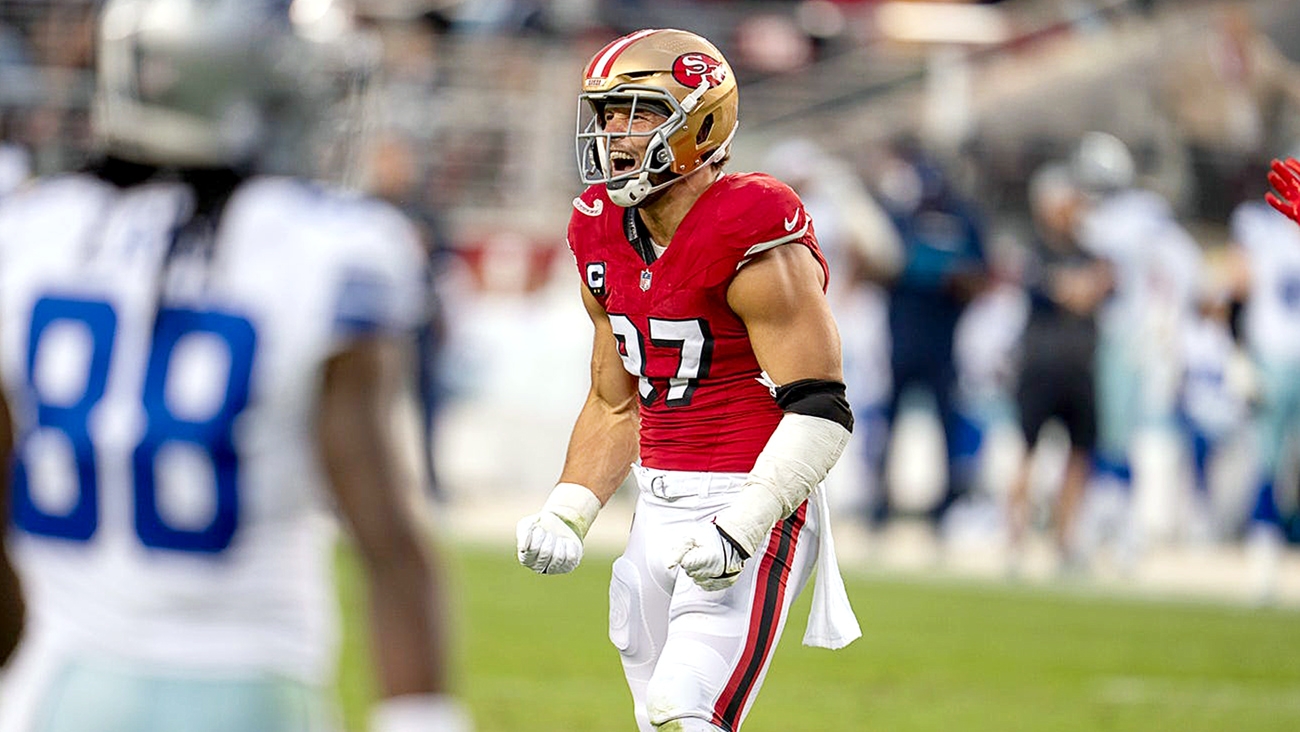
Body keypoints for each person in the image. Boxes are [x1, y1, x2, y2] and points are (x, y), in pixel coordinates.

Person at [0, 2, 470, 731]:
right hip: (250, 679)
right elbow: (390, 543)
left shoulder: (30, 234)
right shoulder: (332, 249)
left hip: (60, 686)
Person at [514, 28, 860, 732]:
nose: (616, 133)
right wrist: (569, 510)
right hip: (658, 499)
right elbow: (615, 403)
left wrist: (743, 525)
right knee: (657, 718)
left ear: (701, 123)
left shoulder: (752, 223)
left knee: (683, 709)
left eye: (640, 113)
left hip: (753, 497)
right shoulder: (598, 229)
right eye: (608, 114)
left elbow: (823, 408)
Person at [869, 141, 990, 529]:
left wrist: (949, 278)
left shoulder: (962, 218)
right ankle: (880, 501)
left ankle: (945, 505)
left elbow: (982, 275)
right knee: (890, 422)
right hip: (903, 336)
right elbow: (880, 264)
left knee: (945, 422)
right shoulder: (899, 216)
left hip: (943, 338)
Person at [1005, 163, 1113, 573]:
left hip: (1080, 365)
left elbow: (1099, 286)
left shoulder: (1088, 250)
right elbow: (1061, 291)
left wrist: (1083, 286)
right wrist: (1080, 287)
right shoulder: (1034, 249)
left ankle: (1065, 539)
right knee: (1028, 450)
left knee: (1079, 453)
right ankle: (1015, 538)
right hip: (1042, 364)